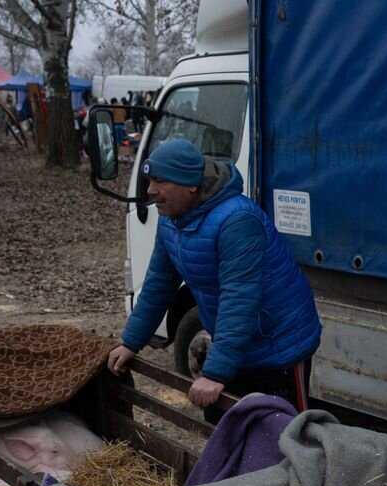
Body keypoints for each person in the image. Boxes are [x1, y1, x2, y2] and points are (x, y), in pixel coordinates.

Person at [107, 138, 322, 423]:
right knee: (226, 431)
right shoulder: (171, 219)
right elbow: (159, 284)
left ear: (191, 185)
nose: (150, 191)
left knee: (284, 438)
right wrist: (130, 342)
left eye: (159, 182)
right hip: (236, 341)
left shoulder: (237, 221)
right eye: (149, 181)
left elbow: (239, 298)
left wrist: (216, 373)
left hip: (279, 344)